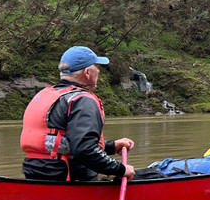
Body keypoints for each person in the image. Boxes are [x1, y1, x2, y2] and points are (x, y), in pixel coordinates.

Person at [21, 46, 135, 182]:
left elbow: (67, 143)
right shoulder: (83, 100)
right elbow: (84, 151)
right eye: (96, 66)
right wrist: (121, 169)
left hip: (35, 172)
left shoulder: (46, 95)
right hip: (66, 176)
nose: (98, 71)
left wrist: (111, 146)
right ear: (87, 72)